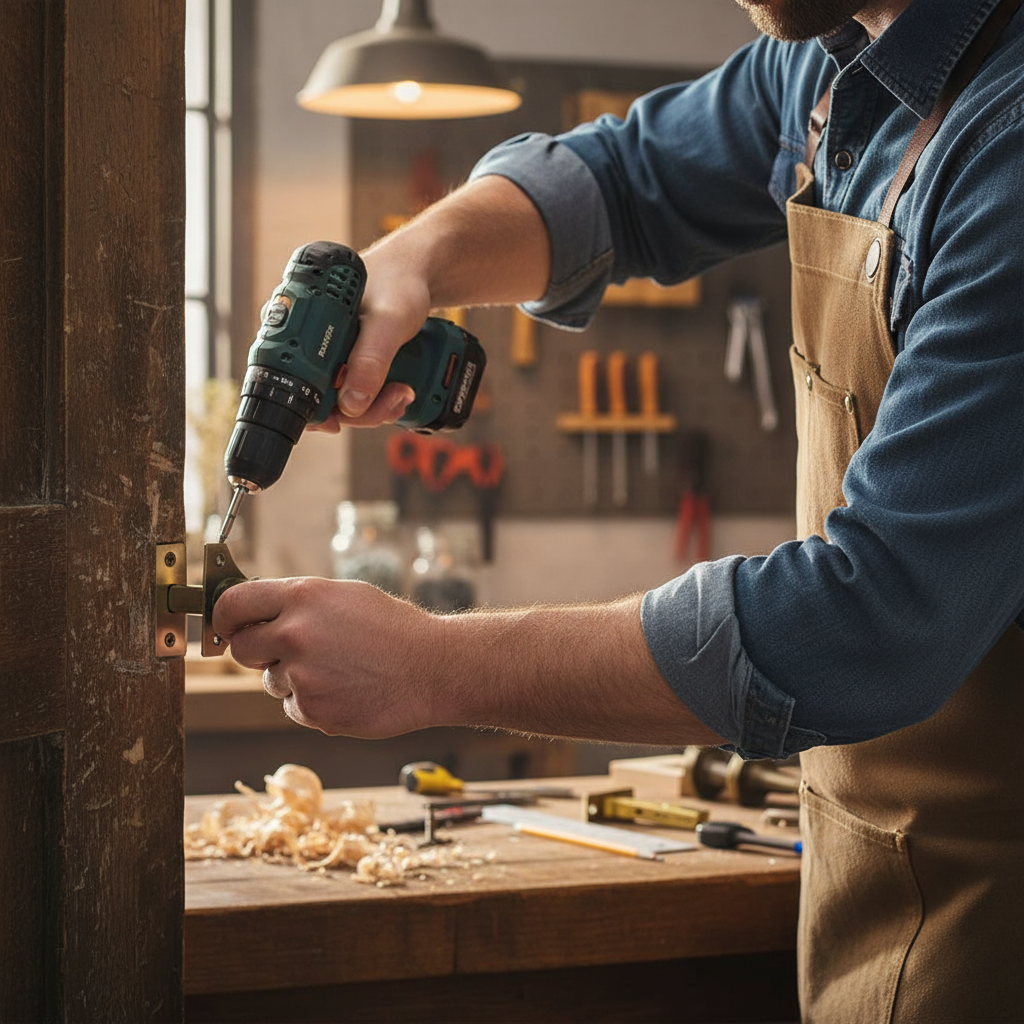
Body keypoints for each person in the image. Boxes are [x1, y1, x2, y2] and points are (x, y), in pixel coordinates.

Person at [213, 0, 1024, 1018]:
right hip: (872, 871)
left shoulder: (1007, 146)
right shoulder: (829, 61)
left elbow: (871, 624)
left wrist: (433, 666)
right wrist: (415, 261)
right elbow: (619, 181)